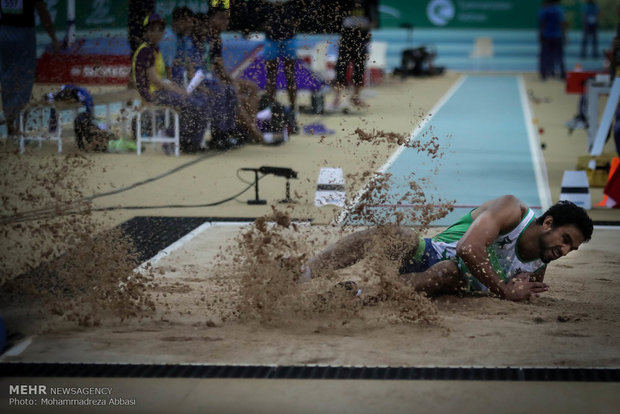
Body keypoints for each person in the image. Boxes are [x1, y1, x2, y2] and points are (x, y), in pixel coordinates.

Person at [301, 195, 593, 302]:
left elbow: (524, 292)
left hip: (448, 278)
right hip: (429, 252)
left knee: (448, 272)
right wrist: (504, 290)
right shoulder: (512, 209)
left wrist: (521, 290)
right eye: (565, 240)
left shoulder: (541, 261)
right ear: (548, 223)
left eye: (572, 249)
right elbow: (468, 248)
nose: (565, 251)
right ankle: (306, 271)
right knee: (393, 233)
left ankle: (357, 295)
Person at [131, 13, 210, 153]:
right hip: (152, 95)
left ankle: (192, 143)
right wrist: (178, 90)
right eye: (152, 29)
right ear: (146, 32)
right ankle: (170, 135)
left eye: (159, 29)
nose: (156, 33)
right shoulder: (146, 51)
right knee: (192, 103)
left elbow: (161, 79)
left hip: (160, 91)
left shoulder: (155, 49)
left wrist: (174, 86)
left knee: (203, 102)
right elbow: (155, 81)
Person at [195, 7, 266, 146]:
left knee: (252, 87)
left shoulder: (217, 39)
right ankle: (253, 133)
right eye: (221, 18)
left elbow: (219, 69)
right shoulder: (204, 39)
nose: (226, 22)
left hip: (215, 78)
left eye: (227, 18)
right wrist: (230, 83)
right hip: (205, 81)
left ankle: (248, 131)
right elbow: (211, 69)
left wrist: (231, 81)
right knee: (234, 94)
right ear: (210, 20)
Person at [0, 0, 60, 137]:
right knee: (24, 78)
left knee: (7, 78)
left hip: (4, 33)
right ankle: (18, 127)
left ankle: (11, 126)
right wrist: (54, 38)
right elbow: (43, 12)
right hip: (23, 34)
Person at [328, 0, 378, 111]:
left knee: (359, 71)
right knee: (340, 70)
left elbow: (375, 22)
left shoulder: (368, 4)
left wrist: (364, 25)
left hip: (361, 41)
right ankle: (336, 99)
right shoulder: (345, 3)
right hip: (346, 41)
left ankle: (355, 98)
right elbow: (337, 20)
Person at [259, 0, 300, 133]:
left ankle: (293, 110)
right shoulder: (266, 5)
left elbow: (300, 13)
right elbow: (258, 15)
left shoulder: (292, 5)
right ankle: (270, 110)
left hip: (288, 38)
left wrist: (293, 26)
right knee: (271, 75)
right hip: (271, 39)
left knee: (290, 75)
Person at [164, 6, 195, 86]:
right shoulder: (168, 38)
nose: (191, 25)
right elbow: (167, 72)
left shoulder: (184, 38)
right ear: (176, 21)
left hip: (180, 85)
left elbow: (188, 65)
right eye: (188, 21)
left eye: (192, 21)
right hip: (167, 86)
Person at [538, 0, 567, 80]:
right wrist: (565, 36)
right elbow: (563, 23)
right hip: (557, 36)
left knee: (545, 55)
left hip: (547, 36)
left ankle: (543, 74)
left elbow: (541, 23)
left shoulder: (544, 10)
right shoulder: (559, 10)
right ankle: (562, 74)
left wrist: (540, 35)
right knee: (559, 56)